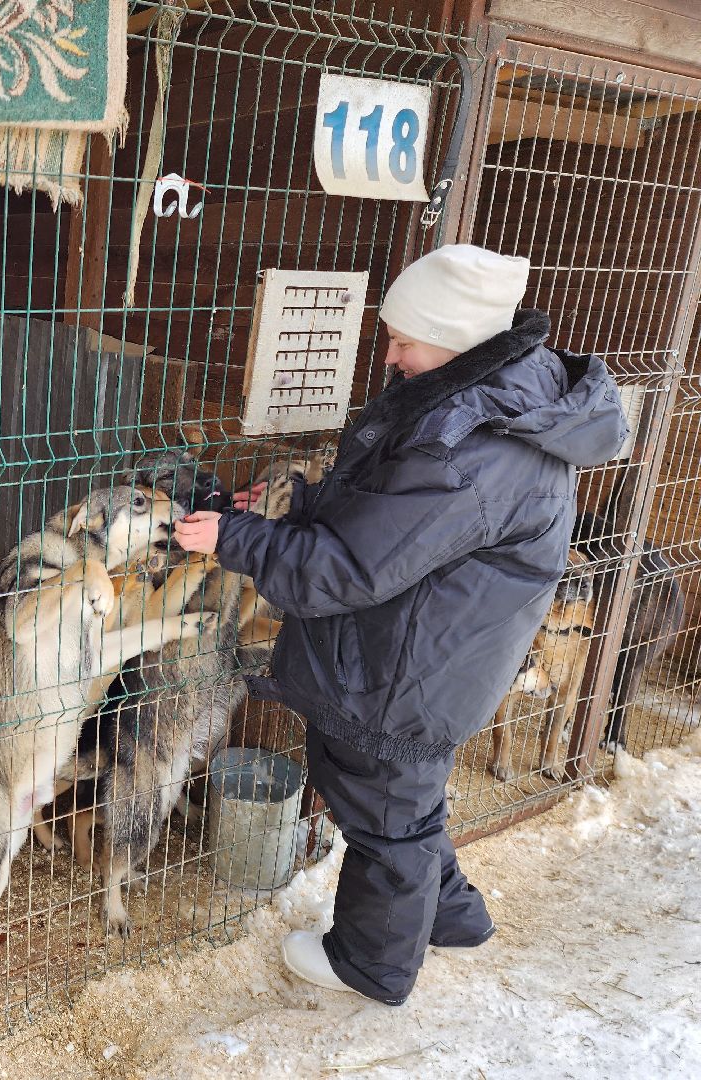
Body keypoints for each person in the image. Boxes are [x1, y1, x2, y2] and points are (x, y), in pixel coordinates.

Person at [173, 245, 629, 1005]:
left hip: (409, 671)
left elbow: (351, 566)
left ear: (455, 338)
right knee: (404, 803)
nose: (389, 353)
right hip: (431, 650)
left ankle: (372, 967)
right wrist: (296, 510)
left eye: (403, 340)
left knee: (387, 818)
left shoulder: (473, 448)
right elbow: (387, 521)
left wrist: (233, 540)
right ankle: (454, 918)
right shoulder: (484, 400)